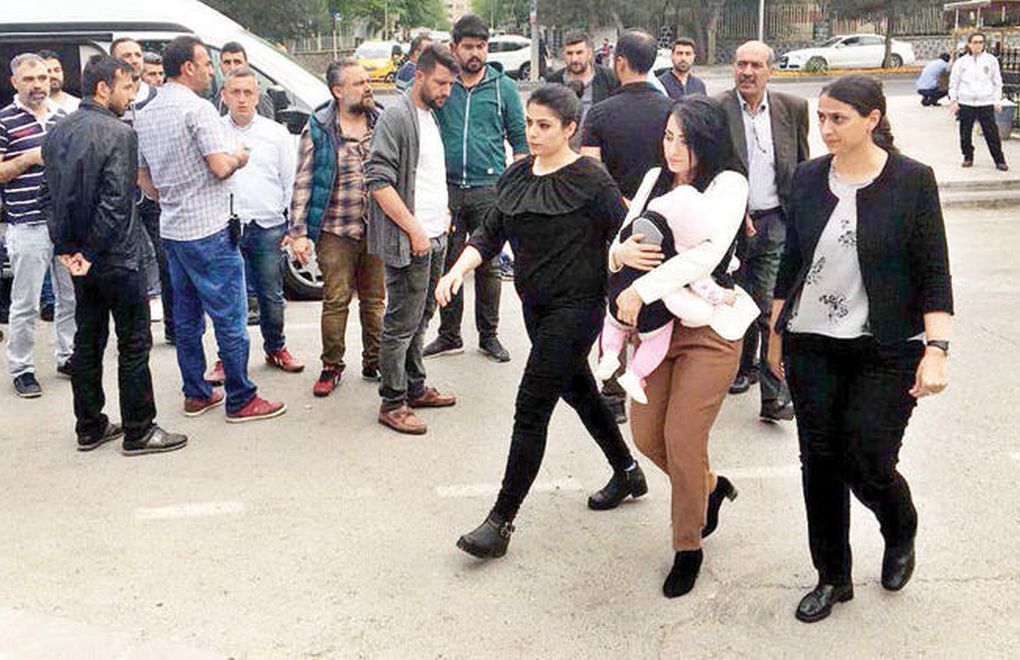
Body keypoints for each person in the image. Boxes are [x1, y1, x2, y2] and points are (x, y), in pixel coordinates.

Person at [766, 75, 953, 623]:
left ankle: (899, 526)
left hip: (886, 347)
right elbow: (792, 259)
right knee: (819, 461)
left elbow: (933, 271)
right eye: (821, 117)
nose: (826, 128)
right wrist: (775, 335)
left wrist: (937, 348)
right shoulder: (807, 178)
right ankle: (832, 577)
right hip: (812, 342)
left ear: (872, 120)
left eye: (838, 118)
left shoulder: (912, 181)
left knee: (867, 456)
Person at [439, 84, 647, 559]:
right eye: (529, 123)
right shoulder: (516, 175)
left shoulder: (591, 179)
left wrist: (626, 265)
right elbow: (489, 234)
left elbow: (624, 231)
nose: (532, 133)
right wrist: (456, 271)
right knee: (581, 392)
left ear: (570, 128)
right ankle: (627, 471)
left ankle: (500, 522)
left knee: (531, 406)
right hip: (535, 308)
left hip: (578, 309)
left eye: (544, 125)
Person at [611, 96, 751, 598]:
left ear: (707, 142)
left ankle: (687, 546)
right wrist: (619, 255)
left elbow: (705, 256)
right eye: (668, 136)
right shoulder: (655, 178)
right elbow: (622, 239)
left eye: (685, 140)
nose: (672, 149)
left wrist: (639, 288)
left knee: (683, 438)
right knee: (648, 436)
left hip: (710, 327)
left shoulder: (728, 184)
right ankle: (709, 488)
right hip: (656, 329)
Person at [135, 35, 286, 423]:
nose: (210, 71)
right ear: (187, 67)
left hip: (173, 229)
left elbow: (144, 179)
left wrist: (173, 196)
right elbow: (220, 167)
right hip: (209, 229)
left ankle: (196, 393)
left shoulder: (146, 112)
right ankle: (240, 398)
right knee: (230, 318)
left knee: (186, 319)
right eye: (205, 64)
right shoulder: (198, 109)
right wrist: (238, 158)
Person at [43, 54, 188, 455]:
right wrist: (85, 251)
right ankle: (139, 431)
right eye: (126, 87)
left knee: (87, 341)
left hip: (80, 261)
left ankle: (89, 426)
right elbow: (115, 203)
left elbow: (47, 198)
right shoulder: (120, 133)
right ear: (103, 88)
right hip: (117, 258)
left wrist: (68, 250)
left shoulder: (57, 131)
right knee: (134, 343)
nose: (131, 95)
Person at [365, 44, 460, 435]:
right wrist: (414, 229)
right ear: (418, 76)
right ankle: (393, 401)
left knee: (422, 317)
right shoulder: (397, 116)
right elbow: (378, 181)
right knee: (401, 323)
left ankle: (415, 387)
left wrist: (444, 214)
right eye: (440, 83)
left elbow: (428, 174)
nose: (446, 91)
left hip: (435, 235)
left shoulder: (429, 115)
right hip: (412, 240)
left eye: (451, 85)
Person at [581, 29, 675, 423]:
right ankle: (654, 381)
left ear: (619, 62)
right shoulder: (673, 110)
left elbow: (591, 169)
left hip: (615, 225)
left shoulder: (600, 113)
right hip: (665, 223)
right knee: (661, 301)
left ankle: (613, 392)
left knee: (615, 304)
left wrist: (621, 204)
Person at [424, 15, 528, 363]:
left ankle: (489, 336)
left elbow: (520, 142)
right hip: (448, 189)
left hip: (489, 190)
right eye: (468, 46)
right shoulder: (444, 85)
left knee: (489, 265)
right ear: (454, 47)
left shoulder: (503, 87)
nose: (475, 53)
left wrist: (513, 189)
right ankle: (449, 335)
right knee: (449, 263)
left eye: (481, 46)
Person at [716, 40, 809, 421]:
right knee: (732, 302)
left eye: (756, 65)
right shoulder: (716, 109)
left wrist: (800, 219)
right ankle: (738, 370)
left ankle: (773, 396)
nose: (747, 72)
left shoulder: (793, 108)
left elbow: (802, 166)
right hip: (729, 224)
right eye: (741, 64)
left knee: (771, 307)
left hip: (775, 222)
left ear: (771, 70)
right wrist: (731, 211)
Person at [289, 59, 385, 396]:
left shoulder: (381, 121)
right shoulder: (318, 127)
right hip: (335, 231)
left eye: (366, 81)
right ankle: (332, 366)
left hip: (376, 228)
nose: (367, 87)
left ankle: (376, 362)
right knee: (336, 300)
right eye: (358, 83)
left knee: (374, 301)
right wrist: (298, 232)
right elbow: (303, 180)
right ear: (338, 91)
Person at [597, 183, 740, 404]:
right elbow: (702, 284)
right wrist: (724, 296)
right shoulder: (682, 250)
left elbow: (622, 235)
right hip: (655, 310)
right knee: (655, 344)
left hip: (622, 291)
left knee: (613, 324)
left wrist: (619, 257)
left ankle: (609, 355)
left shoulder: (646, 224)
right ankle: (635, 374)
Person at [220, 66, 304, 373]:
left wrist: (293, 226)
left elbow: (291, 181)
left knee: (271, 295)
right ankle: (227, 358)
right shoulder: (214, 131)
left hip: (268, 226)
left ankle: (276, 347)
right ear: (224, 95)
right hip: (227, 227)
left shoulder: (276, 134)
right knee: (230, 298)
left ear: (257, 96)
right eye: (235, 92)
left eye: (248, 92)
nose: (242, 99)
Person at [1, 53, 75, 398]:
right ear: (14, 82)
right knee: (26, 303)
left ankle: (68, 356)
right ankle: (22, 368)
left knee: (70, 297)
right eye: (29, 79)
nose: (37, 85)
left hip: (65, 226)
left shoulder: (63, 118)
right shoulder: (4, 121)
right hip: (28, 226)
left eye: (42, 78)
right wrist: (30, 158)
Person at [112, 38, 174, 345]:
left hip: (153, 190)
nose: (134, 59)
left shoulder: (158, 98)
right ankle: (137, 333)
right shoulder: (109, 99)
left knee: (166, 260)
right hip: (119, 193)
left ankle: (174, 326)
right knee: (128, 265)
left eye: (137, 54)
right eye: (127, 55)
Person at [546, 30, 620, 150]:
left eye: (579, 53)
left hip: (600, 152)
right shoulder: (553, 82)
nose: (574, 59)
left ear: (590, 53)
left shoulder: (609, 79)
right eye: (569, 53)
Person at [949, 32, 1009, 171]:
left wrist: (996, 100)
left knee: (991, 132)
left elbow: (997, 82)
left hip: (985, 102)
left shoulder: (991, 61)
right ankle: (968, 156)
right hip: (966, 102)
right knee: (965, 132)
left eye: (981, 42)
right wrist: (954, 100)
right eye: (975, 42)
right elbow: (954, 83)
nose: (978, 45)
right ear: (969, 44)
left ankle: (999, 160)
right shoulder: (961, 62)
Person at [216, 41, 276, 120]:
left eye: (237, 62)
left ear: (246, 65)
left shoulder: (259, 96)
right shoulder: (218, 97)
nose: (232, 67)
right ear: (220, 66)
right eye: (227, 62)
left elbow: (267, 125)